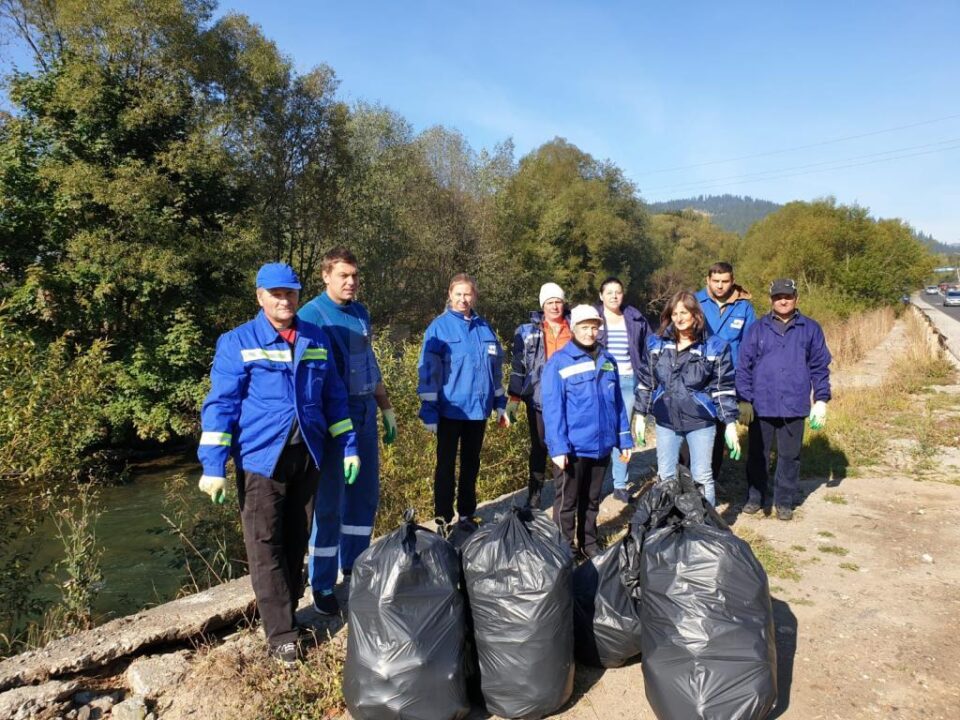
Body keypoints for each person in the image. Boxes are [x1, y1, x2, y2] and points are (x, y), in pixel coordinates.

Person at [197, 263, 358, 666]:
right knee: (265, 545)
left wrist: (350, 444)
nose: (284, 300)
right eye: (276, 293)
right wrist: (213, 465)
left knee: (295, 540)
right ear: (260, 297)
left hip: (308, 457)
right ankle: (282, 635)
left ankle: (289, 615)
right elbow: (220, 406)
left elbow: (334, 398)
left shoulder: (314, 337)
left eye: (290, 293)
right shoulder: (238, 341)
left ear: (298, 295)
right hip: (260, 460)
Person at [297, 247, 396, 616]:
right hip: (331, 422)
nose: (351, 282)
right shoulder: (311, 316)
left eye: (355, 275)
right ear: (326, 276)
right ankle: (321, 583)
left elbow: (368, 363)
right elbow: (306, 379)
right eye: (343, 276)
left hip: (363, 412)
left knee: (364, 496)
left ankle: (355, 565)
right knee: (329, 505)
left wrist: (385, 407)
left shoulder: (360, 313)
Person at [736, 278, 832, 521]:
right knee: (758, 455)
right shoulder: (757, 328)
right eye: (778, 297)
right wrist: (744, 399)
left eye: (787, 296)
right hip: (761, 404)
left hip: (794, 404)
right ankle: (755, 497)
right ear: (771, 300)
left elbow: (820, 366)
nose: (783, 300)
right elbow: (743, 366)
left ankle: (784, 501)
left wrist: (821, 399)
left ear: (796, 298)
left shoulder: (811, 329)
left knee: (790, 457)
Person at [542, 305, 633, 558]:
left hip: (602, 445)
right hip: (573, 448)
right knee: (567, 502)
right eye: (584, 327)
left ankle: (588, 543)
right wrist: (558, 447)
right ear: (573, 328)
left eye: (594, 327)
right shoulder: (559, 362)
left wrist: (623, 437)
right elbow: (552, 409)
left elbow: (618, 404)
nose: (590, 332)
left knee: (592, 501)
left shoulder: (608, 360)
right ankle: (564, 548)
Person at [634, 291, 740, 506]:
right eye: (674, 313)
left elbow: (723, 388)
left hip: (700, 421)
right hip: (666, 420)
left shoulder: (715, 346)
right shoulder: (656, 344)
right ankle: (666, 525)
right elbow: (647, 381)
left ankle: (705, 527)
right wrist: (640, 414)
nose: (679, 318)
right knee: (665, 477)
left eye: (684, 312)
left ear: (695, 315)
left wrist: (729, 423)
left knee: (702, 477)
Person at [417, 273, 508, 524]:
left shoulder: (484, 328)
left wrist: (500, 404)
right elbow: (428, 371)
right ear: (449, 295)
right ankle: (443, 518)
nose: (463, 299)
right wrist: (429, 409)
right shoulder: (439, 327)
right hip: (450, 410)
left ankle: (467, 514)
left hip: (478, 411)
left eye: (467, 294)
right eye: (458, 294)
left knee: (471, 465)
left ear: (475, 296)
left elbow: (495, 370)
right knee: (445, 467)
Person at [505, 282, 571, 509]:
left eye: (558, 302)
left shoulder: (574, 327)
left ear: (564, 304)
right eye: (550, 302)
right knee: (540, 446)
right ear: (542, 305)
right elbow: (518, 365)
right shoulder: (526, 331)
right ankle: (534, 495)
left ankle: (564, 495)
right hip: (539, 397)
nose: (554, 306)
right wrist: (514, 397)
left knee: (565, 444)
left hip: (570, 397)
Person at [691, 262, 757, 480]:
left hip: (728, 379)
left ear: (733, 280)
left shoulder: (744, 307)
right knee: (695, 429)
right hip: (698, 378)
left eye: (725, 281)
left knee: (720, 432)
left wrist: (746, 394)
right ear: (708, 280)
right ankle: (689, 482)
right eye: (716, 281)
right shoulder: (694, 302)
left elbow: (750, 349)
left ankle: (712, 481)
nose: (720, 286)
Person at [594, 276, 651, 503]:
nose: (614, 296)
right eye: (609, 292)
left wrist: (647, 379)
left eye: (618, 292)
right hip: (600, 382)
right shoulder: (593, 319)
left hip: (628, 380)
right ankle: (595, 487)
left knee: (623, 432)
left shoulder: (635, 318)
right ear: (601, 296)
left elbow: (647, 349)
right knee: (599, 432)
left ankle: (620, 484)